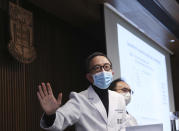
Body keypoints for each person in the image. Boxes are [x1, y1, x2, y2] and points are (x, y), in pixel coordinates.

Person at [37, 52, 128, 131]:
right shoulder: (79, 99)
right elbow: (59, 122)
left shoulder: (119, 98)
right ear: (89, 77)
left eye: (106, 67)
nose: (103, 71)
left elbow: (122, 127)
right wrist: (50, 114)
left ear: (112, 73)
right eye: (97, 68)